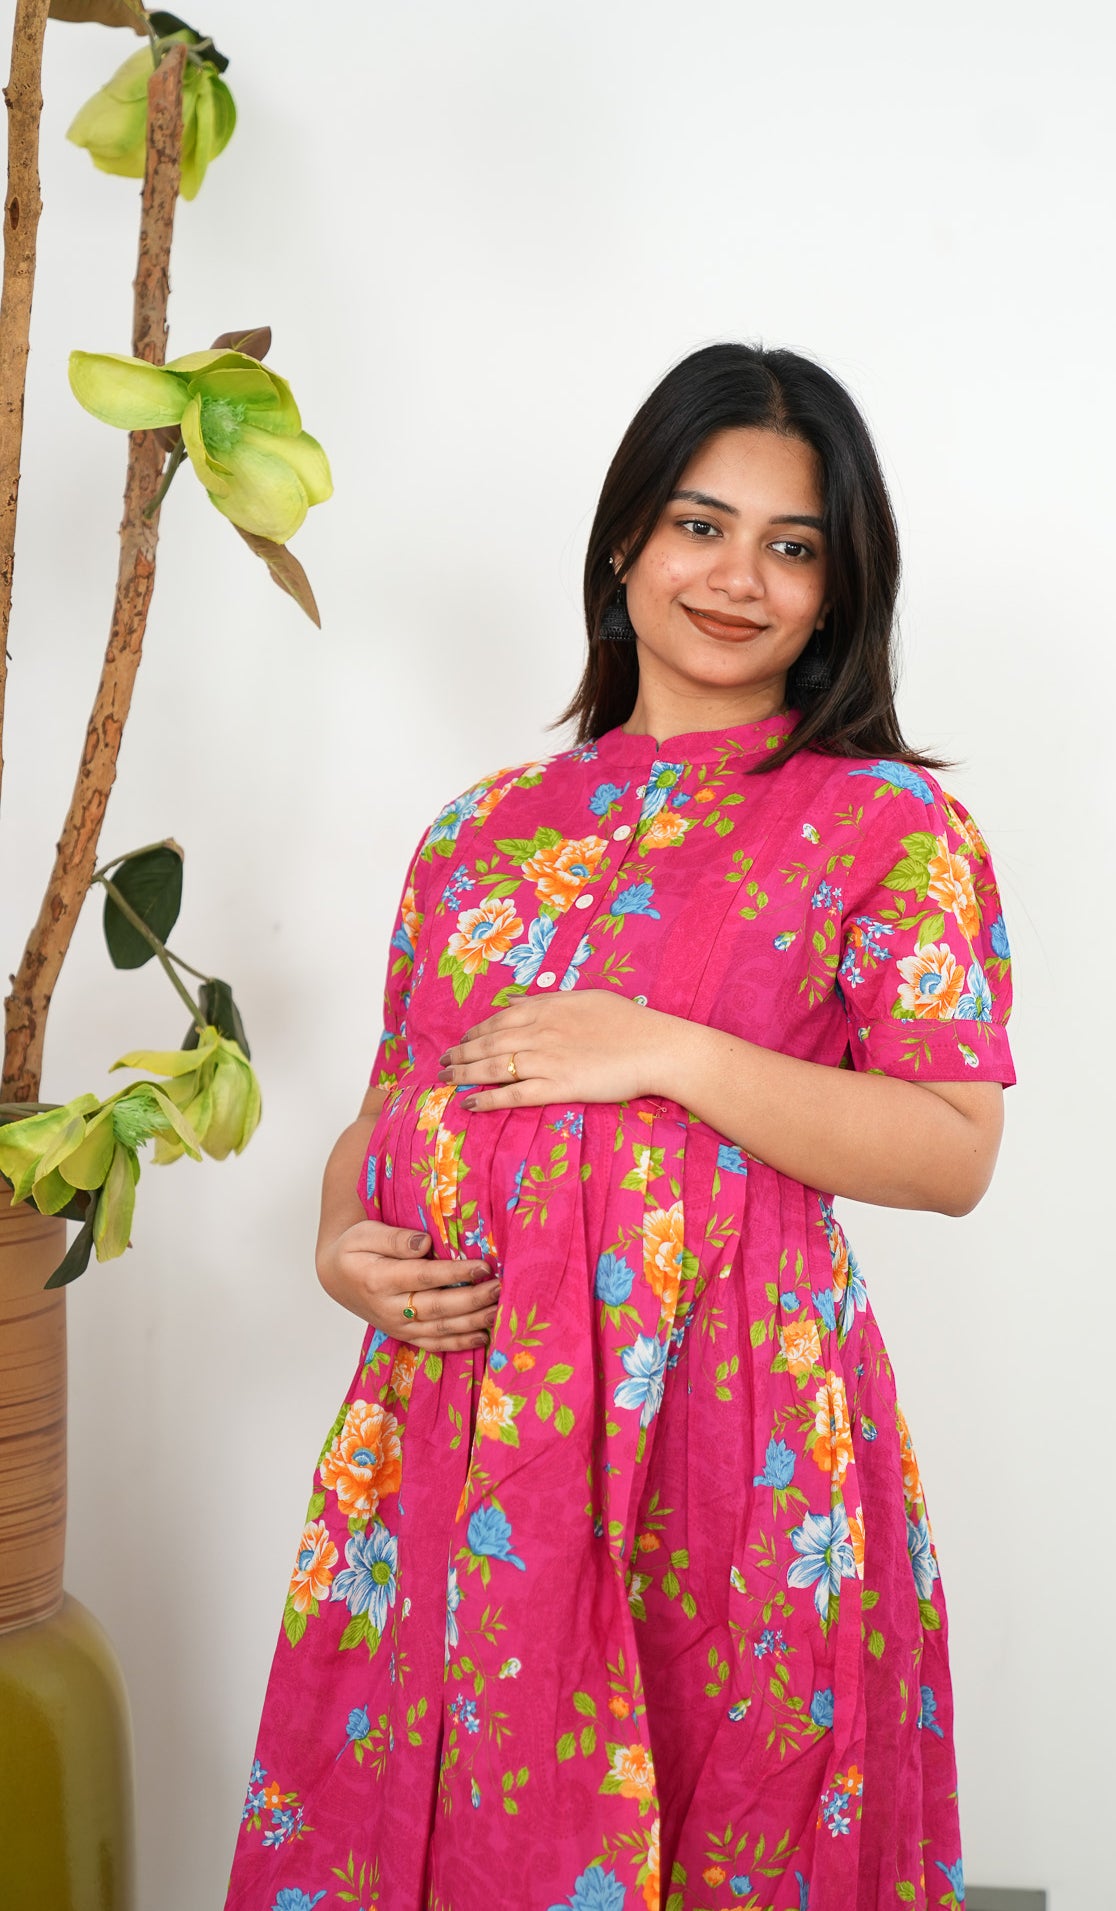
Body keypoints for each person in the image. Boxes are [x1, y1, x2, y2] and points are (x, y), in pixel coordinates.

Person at [224, 341, 1015, 1911]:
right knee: (449, 1820)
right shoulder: (479, 832)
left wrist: (666, 1051)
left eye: (791, 548)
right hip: (462, 1427)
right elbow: (399, 1104)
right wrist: (337, 1240)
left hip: (725, 1435)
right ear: (624, 544)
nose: (737, 579)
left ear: (837, 591)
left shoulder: (883, 823)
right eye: (699, 526)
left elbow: (951, 1149)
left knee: (733, 1812)